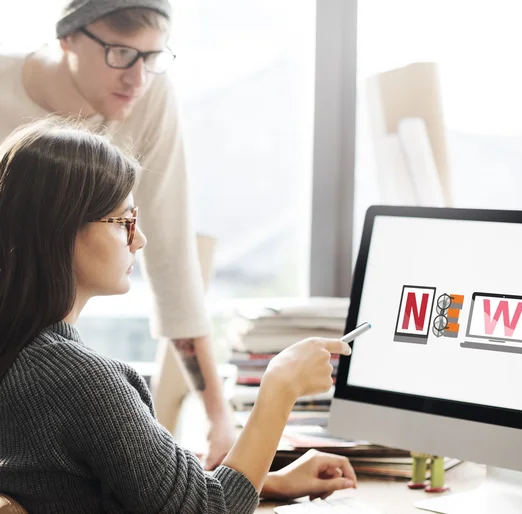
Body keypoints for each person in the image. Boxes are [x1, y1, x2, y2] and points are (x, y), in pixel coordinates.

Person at [0, 118, 357, 513]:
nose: (140, 240)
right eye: (124, 222)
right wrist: (280, 388)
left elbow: (99, 488)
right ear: (61, 231)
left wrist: (266, 482)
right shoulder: (78, 381)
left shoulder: (22, 356)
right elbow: (208, 509)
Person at [0, 0, 236, 468]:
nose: (138, 78)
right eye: (121, 53)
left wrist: (218, 418)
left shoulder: (150, 95)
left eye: (153, 57)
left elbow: (170, 257)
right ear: (67, 37)